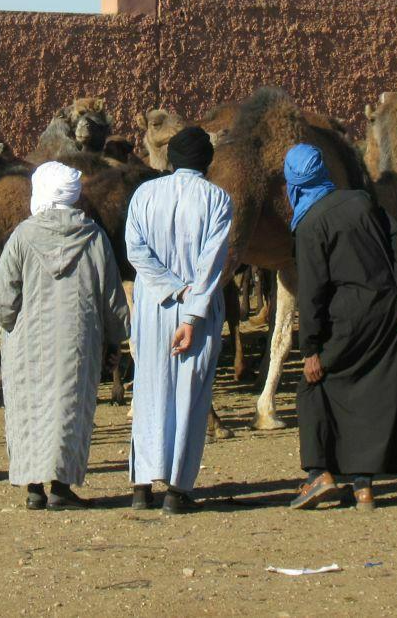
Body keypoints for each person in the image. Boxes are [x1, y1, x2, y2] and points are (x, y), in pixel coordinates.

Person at [283, 143, 397, 512]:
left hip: (345, 318)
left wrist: (309, 348)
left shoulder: (310, 225)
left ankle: (318, 475)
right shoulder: (361, 200)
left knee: (312, 389)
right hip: (385, 312)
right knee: (369, 395)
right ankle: (363, 488)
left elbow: (311, 293)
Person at [0, 162, 131, 510]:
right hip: (77, 342)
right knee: (69, 407)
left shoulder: (22, 236)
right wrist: (114, 339)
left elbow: (3, 299)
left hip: (26, 343)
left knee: (29, 408)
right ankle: (62, 487)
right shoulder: (94, 237)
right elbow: (111, 296)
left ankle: (33, 487)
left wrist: (8, 323)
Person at [124, 126, 234, 515]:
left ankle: (140, 486)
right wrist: (189, 309)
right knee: (189, 396)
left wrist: (168, 287)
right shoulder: (217, 200)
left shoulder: (144, 194)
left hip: (153, 307)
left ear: (171, 159)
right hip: (197, 310)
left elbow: (135, 250)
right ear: (208, 161)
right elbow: (212, 263)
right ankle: (176, 489)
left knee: (148, 389)